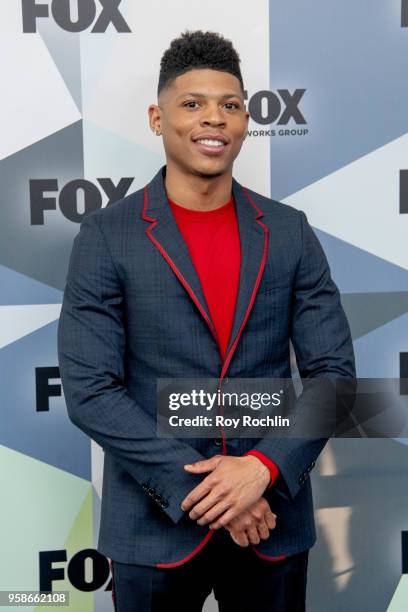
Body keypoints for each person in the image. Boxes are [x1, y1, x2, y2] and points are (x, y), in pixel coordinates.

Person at [57, 29, 355, 612]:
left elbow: (335, 377)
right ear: (157, 117)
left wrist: (264, 468)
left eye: (230, 105)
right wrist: (216, 489)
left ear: (246, 119)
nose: (212, 119)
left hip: (272, 525)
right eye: (191, 104)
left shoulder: (289, 230)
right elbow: (91, 391)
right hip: (154, 529)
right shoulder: (106, 236)